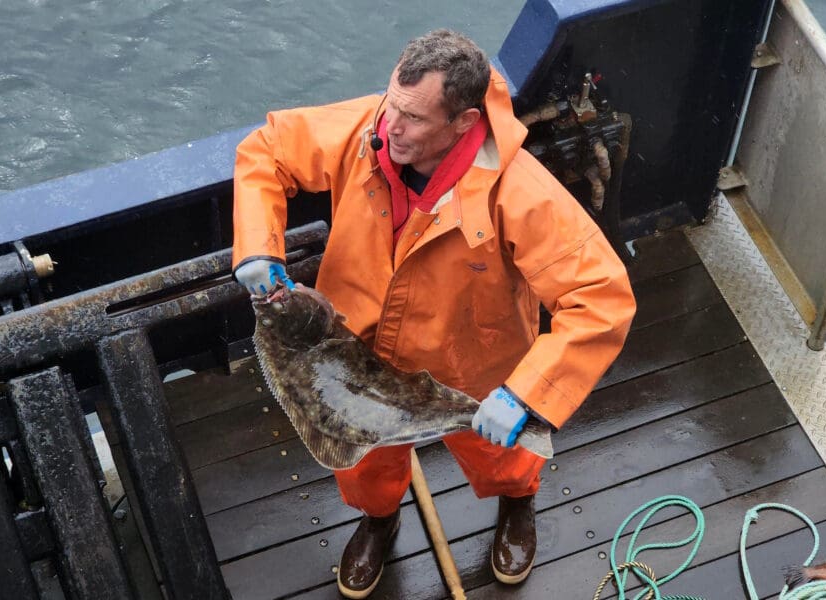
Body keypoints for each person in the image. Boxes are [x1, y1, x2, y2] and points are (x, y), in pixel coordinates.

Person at [231, 29, 636, 599]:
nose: (389, 127)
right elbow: (266, 150)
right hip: (355, 351)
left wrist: (526, 393)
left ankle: (517, 503)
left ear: (464, 123)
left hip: (471, 362)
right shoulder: (371, 128)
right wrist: (257, 247)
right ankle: (379, 519)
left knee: (504, 456)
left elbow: (600, 296)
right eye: (391, 104)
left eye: (414, 119)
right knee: (362, 462)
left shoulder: (519, 191)